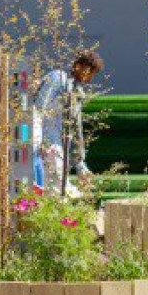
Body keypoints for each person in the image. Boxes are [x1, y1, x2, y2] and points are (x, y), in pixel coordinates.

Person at [33, 50, 104, 196]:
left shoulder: (76, 91)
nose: (90, 77)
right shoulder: (58, 78)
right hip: (46, 145)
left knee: (56, 189)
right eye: (89, 72)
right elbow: (38, 109)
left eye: (93, 74)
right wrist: (39, 141)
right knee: (58, 190)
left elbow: (75, 128)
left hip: (58, 147)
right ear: (78, 66)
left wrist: (79, 164)